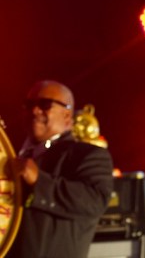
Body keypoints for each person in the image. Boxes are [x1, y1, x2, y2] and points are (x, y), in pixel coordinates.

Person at [8, 80, 114, 258]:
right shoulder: (9, 152)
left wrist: (39, 180)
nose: (34, 111)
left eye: (45, 105)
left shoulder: (87, 155)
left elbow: (95, 201)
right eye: (29, 105)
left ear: (67, 115)